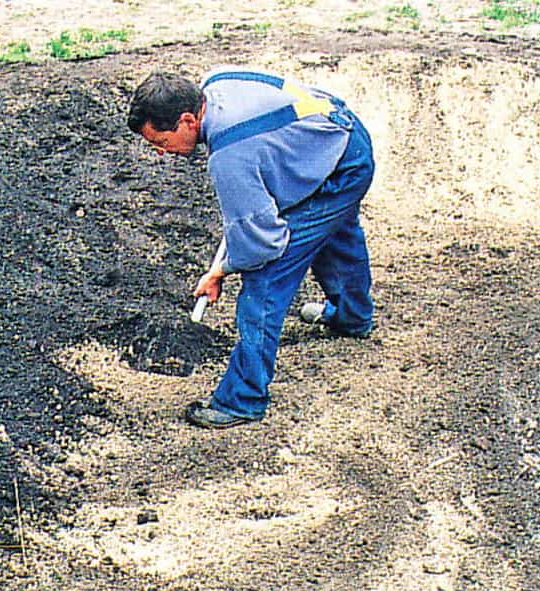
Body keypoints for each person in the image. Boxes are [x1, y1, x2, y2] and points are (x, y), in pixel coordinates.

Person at [127, 67, 375, 429]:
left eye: (161, 143)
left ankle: (242, 400)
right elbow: (254, 200)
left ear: (186, 120)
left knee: (266, 282)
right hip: (338, 140)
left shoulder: (228, 155)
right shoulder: (214, 85)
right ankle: (352, 317)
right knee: (336, 235)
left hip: (337, 166)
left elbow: (260, 242)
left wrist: (221, 271)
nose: (163, 153)